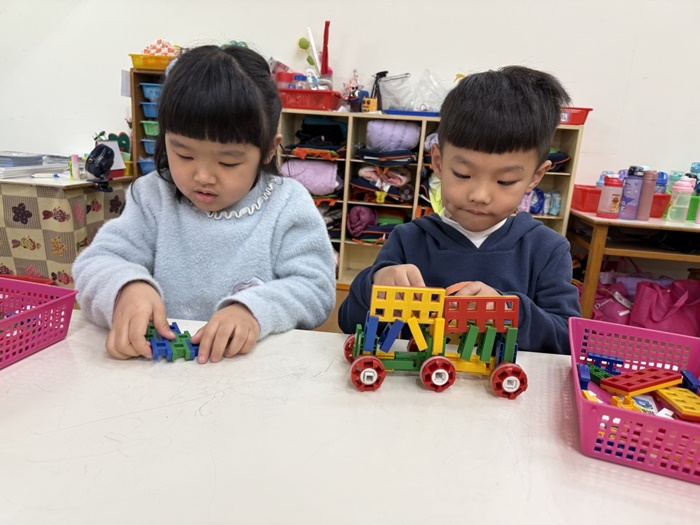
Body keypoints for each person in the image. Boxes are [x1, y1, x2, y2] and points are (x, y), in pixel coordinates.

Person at [74, 45, 336, 363]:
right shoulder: (152, 196)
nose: (203, 177)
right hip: (159, 375)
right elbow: (96, 263)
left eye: (228, 162)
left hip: (252, 376)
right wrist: (125, 288)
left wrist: (255, 310)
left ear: (269, 149)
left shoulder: (287, 204)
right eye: (184, 154)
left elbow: (316, 289)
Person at [338, 66, 581, 354]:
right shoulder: (408, 240)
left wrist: (508, 311)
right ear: (439, 163)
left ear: (535, 178)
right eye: (463, 174)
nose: (479, 196)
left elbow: (567, 342)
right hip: (418, 378)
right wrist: (375, 283)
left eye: (505, 181)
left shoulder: (547, 250)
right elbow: (348, 323)